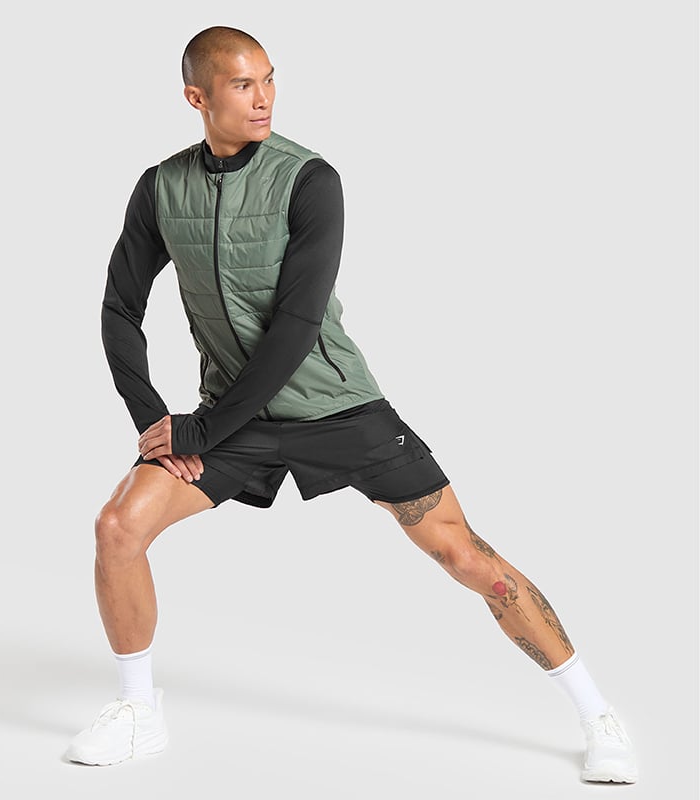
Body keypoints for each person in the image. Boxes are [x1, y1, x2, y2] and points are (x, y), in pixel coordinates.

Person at [65, 26, 638, 784]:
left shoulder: (310, 178)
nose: (264, 98)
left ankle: (597, 715)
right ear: (196, 97)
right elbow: (119, 308)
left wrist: (203, 429)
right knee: (117, 527)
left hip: (338, 409)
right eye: (242, 84)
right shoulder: (161, 187)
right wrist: (156, 424)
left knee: (463, 555)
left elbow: (297, 324)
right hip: (232, 418)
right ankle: (139, 711)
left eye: (270, 78)